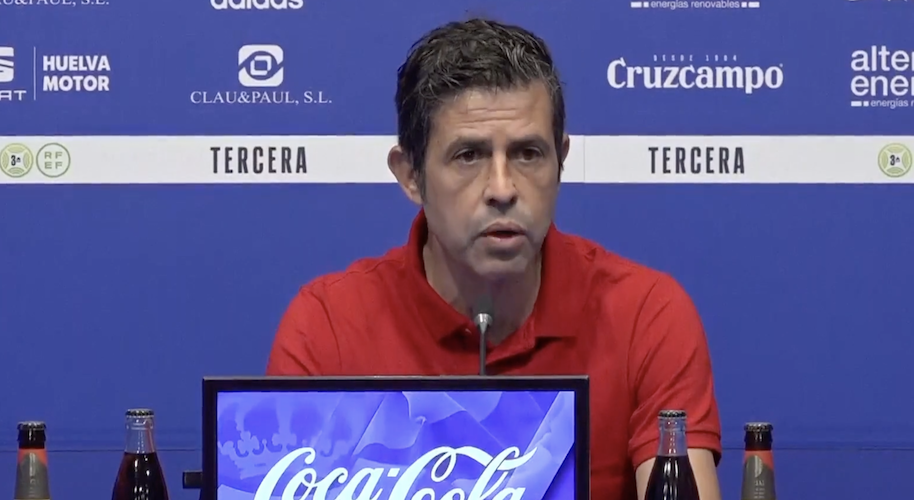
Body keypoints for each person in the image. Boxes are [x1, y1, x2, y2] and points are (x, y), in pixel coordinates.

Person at [266, 17, 723, 500]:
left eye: (528, 154)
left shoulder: (646, 314)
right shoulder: (327, 326)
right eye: (468, 155)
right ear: (410, 175)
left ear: (561, 160)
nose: (503, 189)